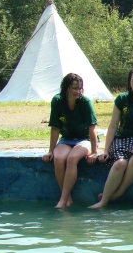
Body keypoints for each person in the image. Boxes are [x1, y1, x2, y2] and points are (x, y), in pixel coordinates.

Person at [91, 68, 133, 209]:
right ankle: (104, 201)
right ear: (129, 83)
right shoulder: (122, 99)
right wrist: (106, 150)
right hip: (122, 138)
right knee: (120, 163)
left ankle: (120, 192)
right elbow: (112, 126)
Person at [42, 73, 98, 208]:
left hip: (84, 139)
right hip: (66, 138)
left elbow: (92, 128)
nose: (78, 91)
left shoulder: (85, 102)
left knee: (72, 158)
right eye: (74, 88)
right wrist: (50, 151)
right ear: (66, 87)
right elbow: (55, 128)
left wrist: (94, 152)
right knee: (58, 158)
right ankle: (68, 199)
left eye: (80, 88)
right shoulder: (57, 100)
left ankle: (62, 200)